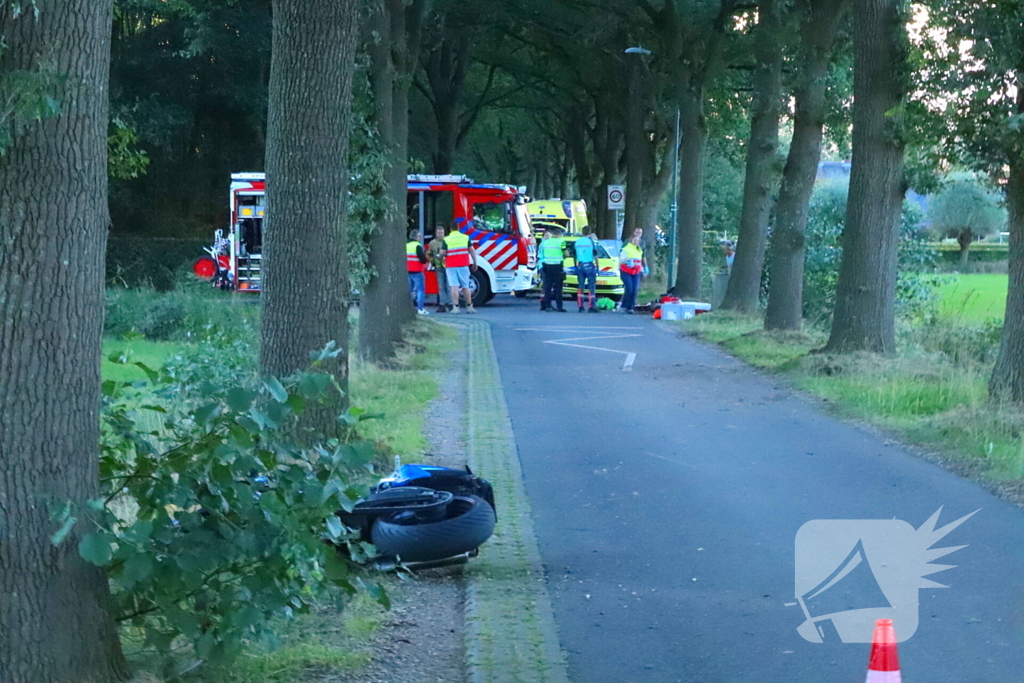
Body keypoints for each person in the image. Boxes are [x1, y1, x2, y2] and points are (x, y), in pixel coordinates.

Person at [440, 223, 480, 313]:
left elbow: (442, 253)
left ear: (450, 229)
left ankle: (456, 308)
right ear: (458, 228)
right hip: (463, 265)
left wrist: (441, 257)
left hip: (451, 266)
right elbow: (472, 251)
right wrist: (475, 263)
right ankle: (469, 307)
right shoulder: (465, 238)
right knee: (465, 286)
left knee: (454, 287)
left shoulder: (446, 239)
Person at [538, 228, 567, 312]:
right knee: (558, 287)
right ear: (559, 235)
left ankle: (548, 306)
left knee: (547, 287)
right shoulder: (561, 242)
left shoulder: (545, 243)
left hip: (546, 266)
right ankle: (559, 306)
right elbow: (566, 253)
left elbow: (541, 255)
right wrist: (563, 258)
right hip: (557, 266)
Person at [619, 230, 647, 314]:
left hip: (636, 272)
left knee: (635, 289)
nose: (636, 242)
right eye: (635, 240)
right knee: (629, 288)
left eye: (637, 241)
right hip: (626, 271)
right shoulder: (626, 248)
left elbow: (639, 261)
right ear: (631, 240)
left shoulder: (639, 250)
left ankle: (631, 307)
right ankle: (625, 305)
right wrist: (627, 260)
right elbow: (621, 260)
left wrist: (643, 270)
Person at [573, 226, 600, 312]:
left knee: (581, 286)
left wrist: (575, 266)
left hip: (580, 265)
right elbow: (595, 255)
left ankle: (580, 306)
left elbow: (574, 255)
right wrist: (598, 266)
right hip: (589, 265)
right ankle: (591, 306)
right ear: (590, 232)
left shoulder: (577, 242)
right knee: (591, 286)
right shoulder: (591, 241)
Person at [428, 225, 452, 312]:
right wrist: (432, 260)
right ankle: (442, 304)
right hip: (438, 266)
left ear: (444, 233)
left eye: (441, 232)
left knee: (448, 286)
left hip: (448, 265)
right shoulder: (432, 243)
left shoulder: (448, 241)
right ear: (436, 233)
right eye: (438, 233)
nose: (440, 234)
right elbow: (429, 253)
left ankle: (450, 304)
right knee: (441, 286)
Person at [406, 230, 429, 315]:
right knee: (420, 290)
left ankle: (408, 307)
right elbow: (422, 260)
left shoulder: (406, 245)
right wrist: (426, 258)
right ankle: (420, 308)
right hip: (417, 270)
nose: (420, 238)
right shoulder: (417, 246)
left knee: (410, 290)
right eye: (419, 236)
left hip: (408, 270)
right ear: (415, 237)